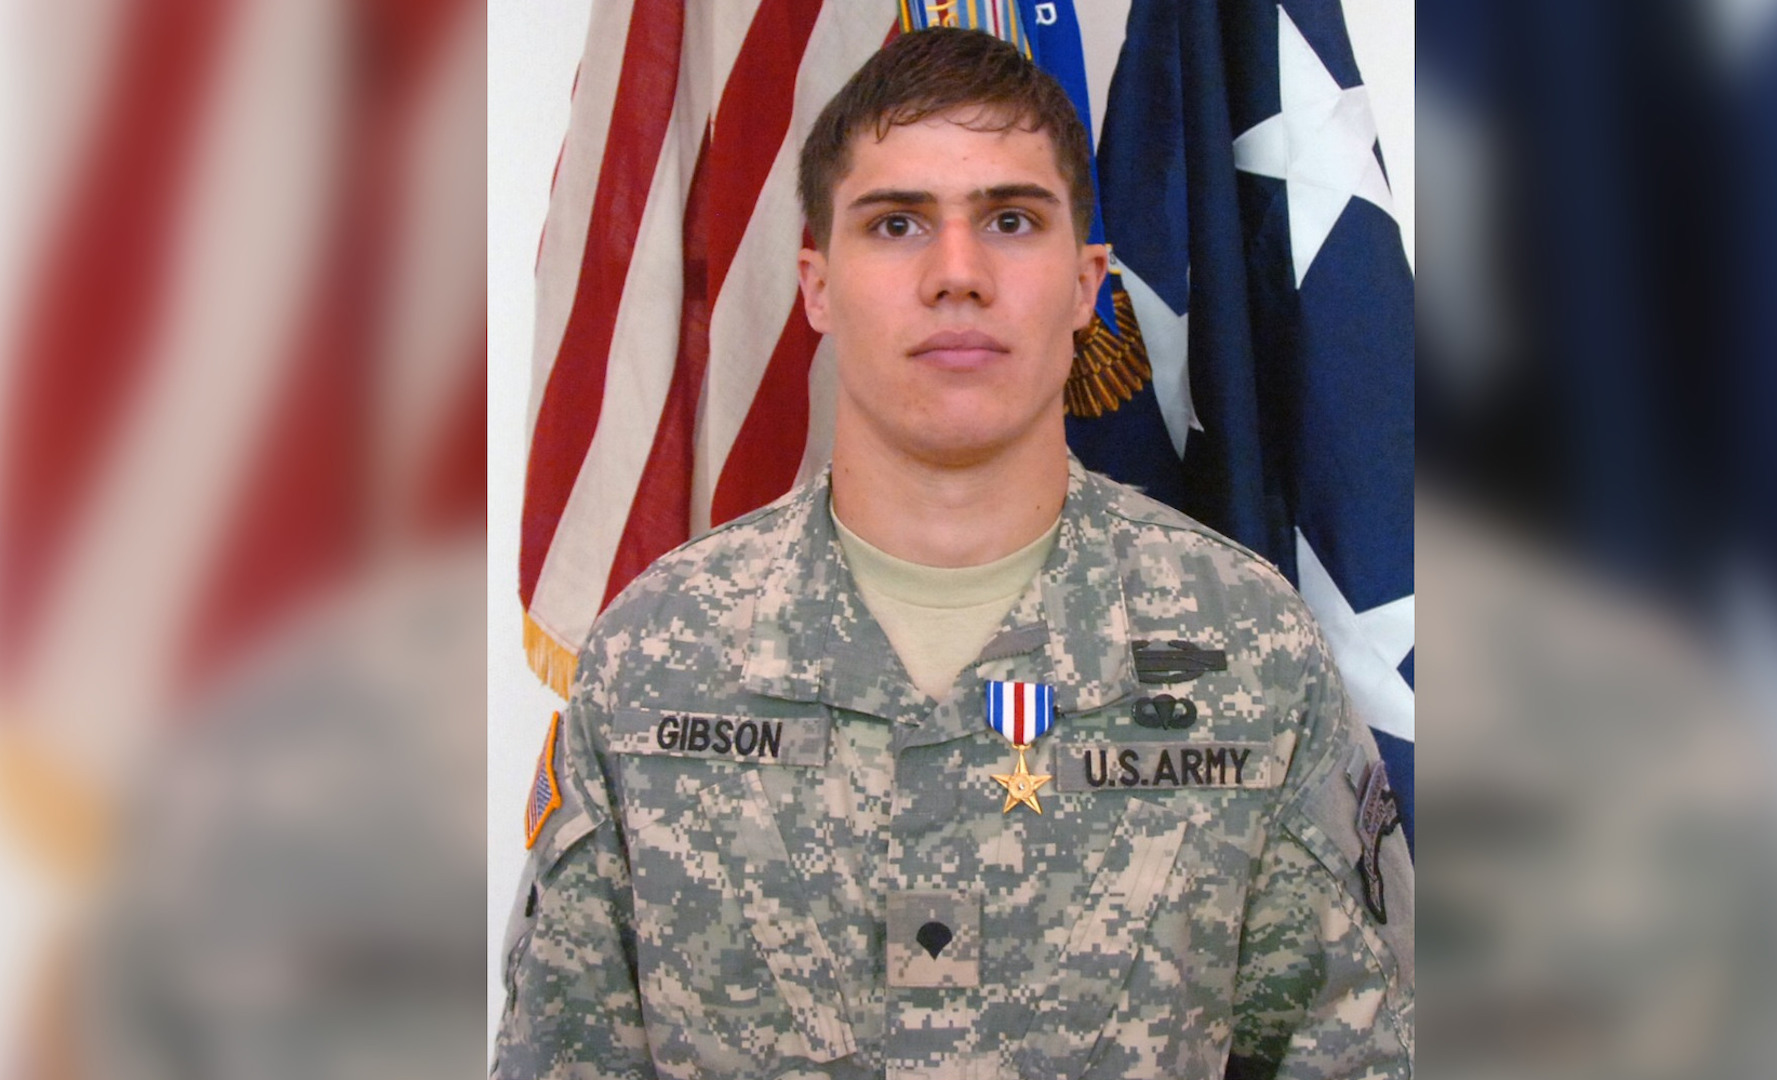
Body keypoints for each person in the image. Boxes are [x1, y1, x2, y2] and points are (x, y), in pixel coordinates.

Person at [494, 27, 1412, 1080]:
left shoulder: (1248, 653)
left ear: (1087, 282)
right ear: (816, 285)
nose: (958, 274)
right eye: (896, 224)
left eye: (1011, 220)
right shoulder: (655, 661)